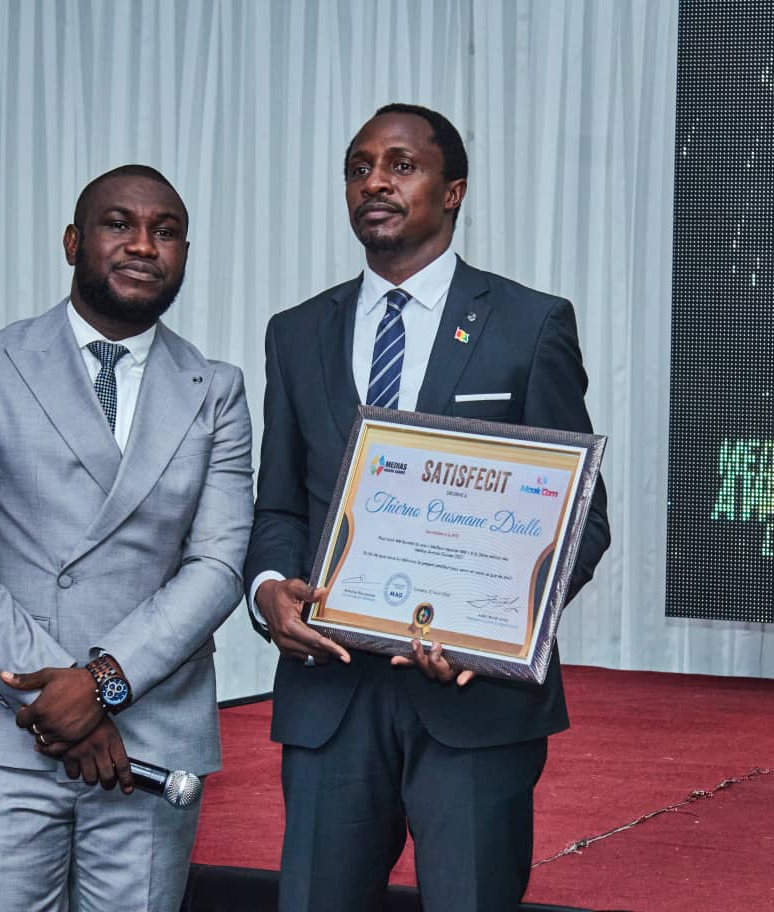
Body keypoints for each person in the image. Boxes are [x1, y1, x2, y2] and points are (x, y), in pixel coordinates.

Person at [244, 104, 611, 911]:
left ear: (453, 191)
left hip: (474, 706)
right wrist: (269, 591)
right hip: (328, 695)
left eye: (400, 165)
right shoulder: (295, 333)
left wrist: (500, 629)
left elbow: (580, 517)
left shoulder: (529, 324)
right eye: (358, 167)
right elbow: (278, 507)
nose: (373, 182)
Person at [0, 164, 254, 912]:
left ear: (185, 254)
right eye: (118, 224)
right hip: (9, 728)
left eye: (165, 232)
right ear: (73, 242)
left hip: (151, 734)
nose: (143, 245)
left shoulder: (217, 390)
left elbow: (219, 566)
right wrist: (56, 698)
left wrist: (100, 685)